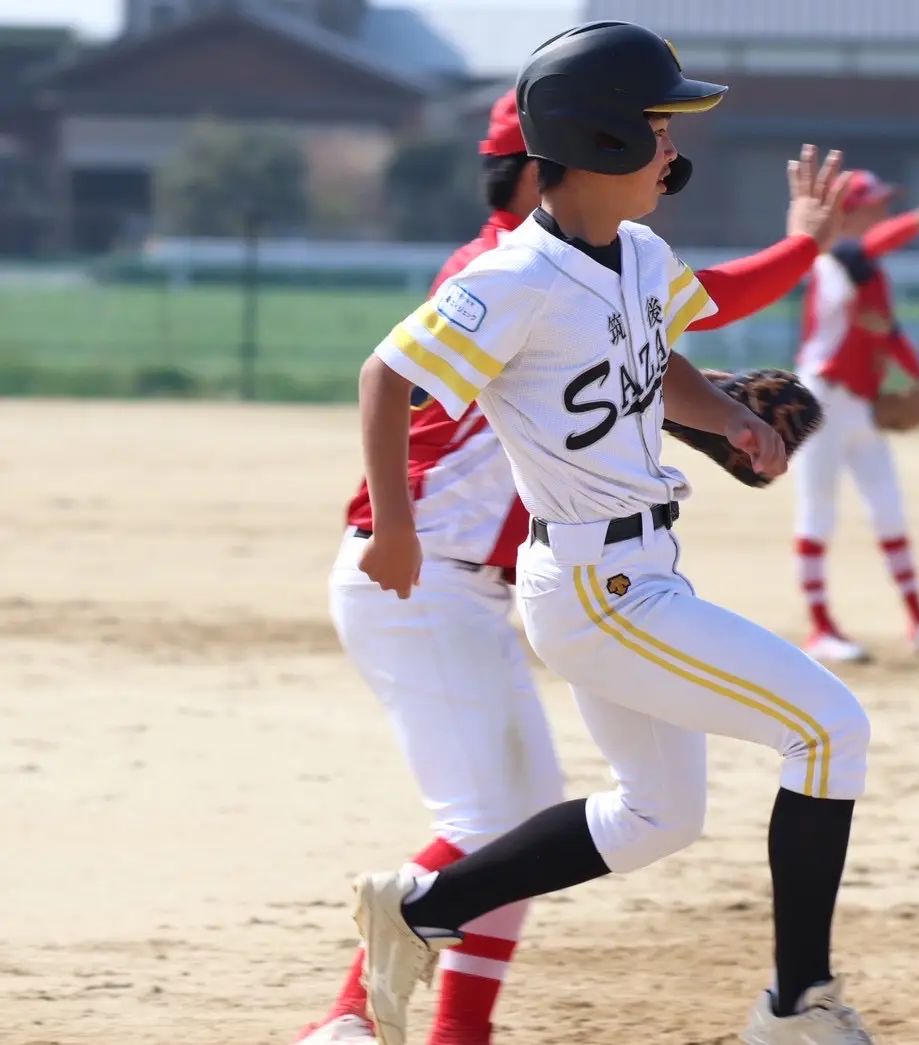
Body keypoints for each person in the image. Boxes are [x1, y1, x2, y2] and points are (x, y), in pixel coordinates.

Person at [348, 21, 877, 1045]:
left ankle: (419, 909)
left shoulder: (637, 253)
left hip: (639, 570)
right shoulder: (512, 278)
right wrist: (393, 529)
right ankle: (795, 1005)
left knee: (657, 816)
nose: (673, 148)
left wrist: (727, 417)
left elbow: (657, 353)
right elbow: (386, 376)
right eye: (658, 126)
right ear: (601, 138)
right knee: (827, 729)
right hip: (599, 590)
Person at [790, 169, 919, 664]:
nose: (883, 210)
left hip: (861, 404)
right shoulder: (836, 260)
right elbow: (872, 245)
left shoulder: (871, 273)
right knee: (818, 510)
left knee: (888, 508)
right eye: (874, 204)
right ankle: (820, 628)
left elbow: (889, 333)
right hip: (821, 402)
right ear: (847, 213)